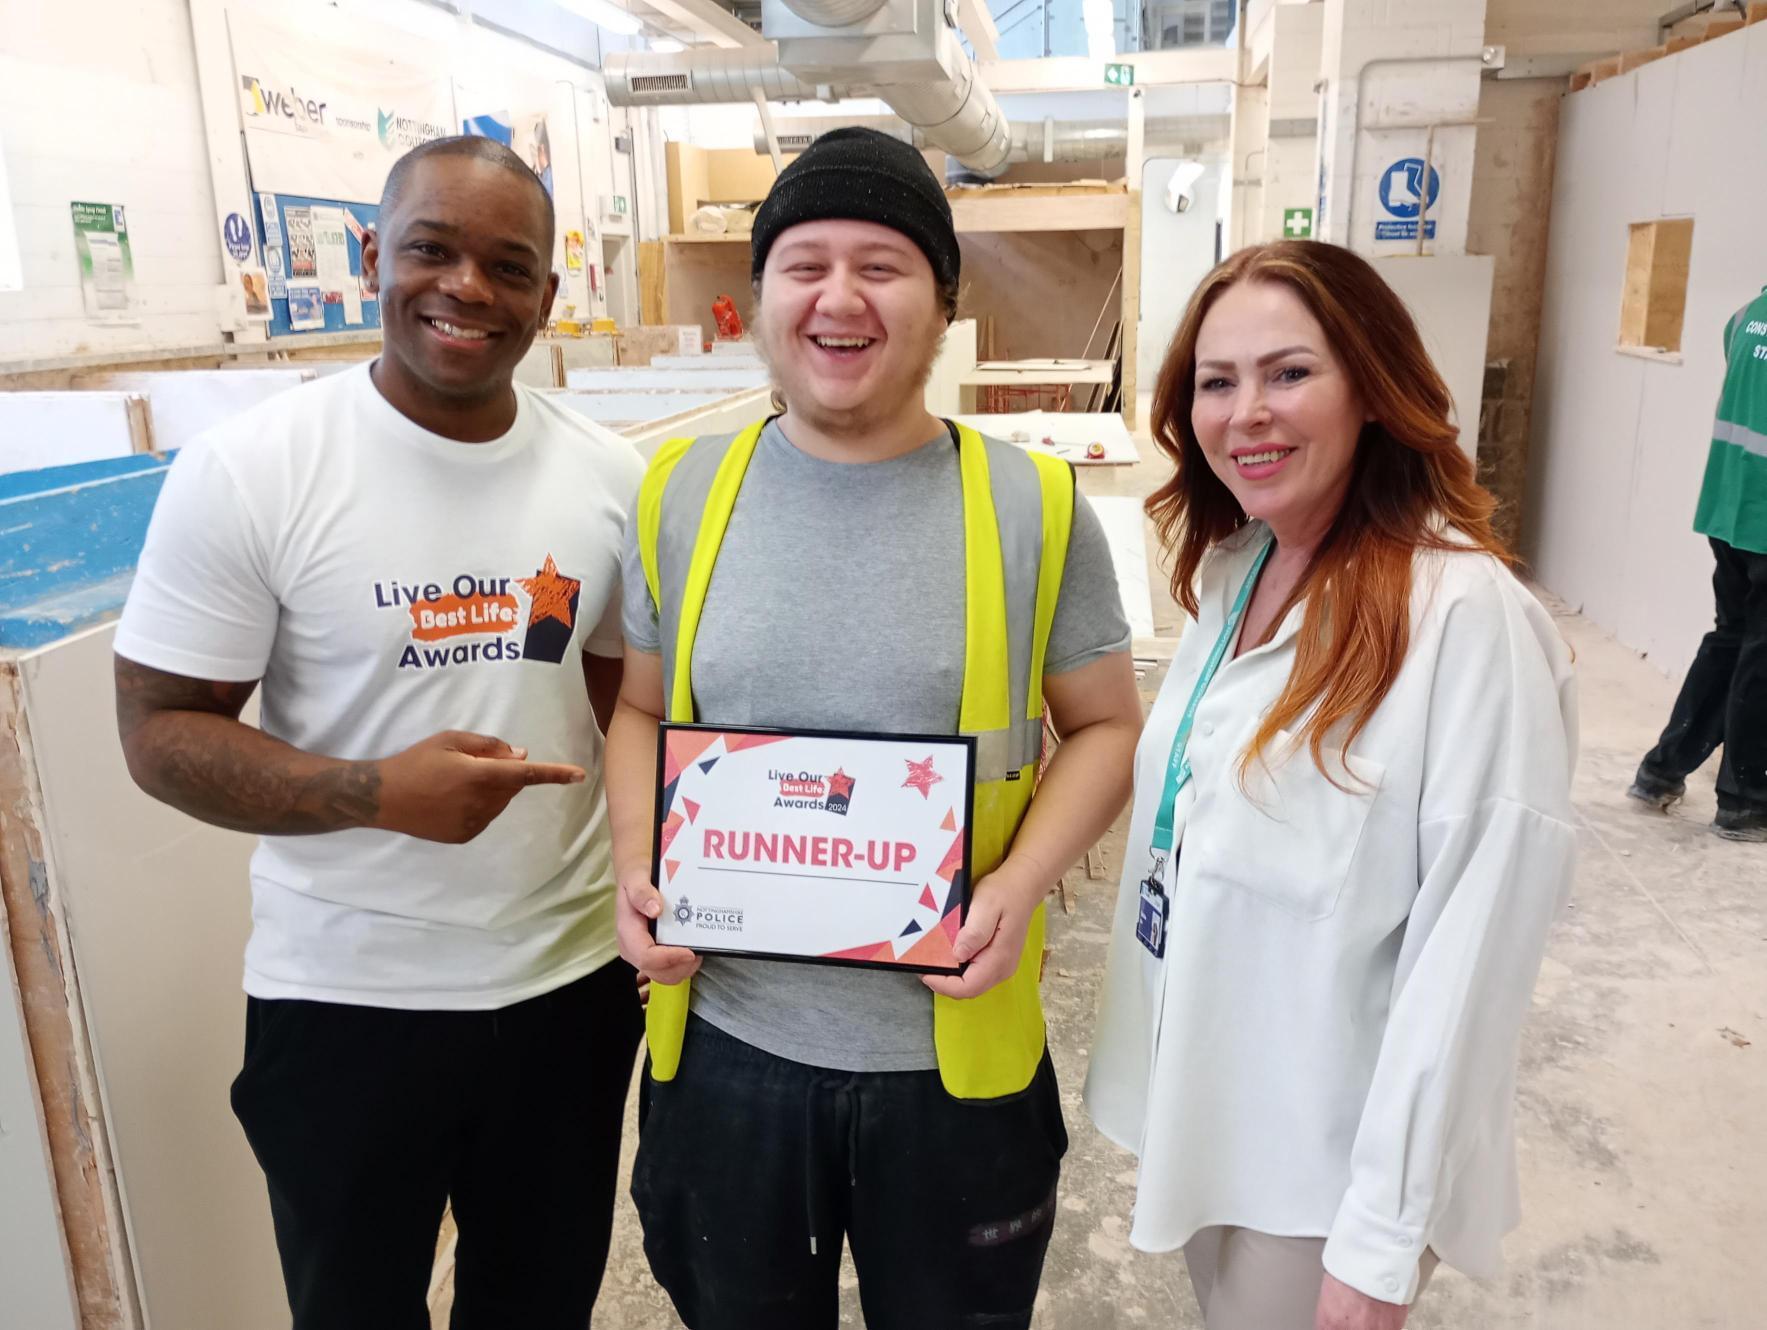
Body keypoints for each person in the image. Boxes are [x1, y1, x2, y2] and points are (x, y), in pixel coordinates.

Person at [605, 127, 1143, 1330]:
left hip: (949, 1063)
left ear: (943, 304)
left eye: (882, 265)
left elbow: (1106, 727)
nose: (839, 297)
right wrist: (636, 868)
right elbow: (640, 705)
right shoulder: (681, 492)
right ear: (758, 299)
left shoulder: (1035, 507)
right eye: (805, 263)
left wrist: (1021, 886)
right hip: (730, 1047)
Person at [112, 136, 644, 1329]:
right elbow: (156, 732)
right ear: (371, 257)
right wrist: (372, 791)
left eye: (509, 267)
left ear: (549, 298)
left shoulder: (612, 478)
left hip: (566, 993)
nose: (466, 288)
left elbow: (628, 715)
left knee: (540, 1305)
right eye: (430, 250)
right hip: (343, 1006)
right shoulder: (252, 470)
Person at [1084, 240, 1579, 1330]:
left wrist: (1381, 1241)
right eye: (1218, 382)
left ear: (1373, 387)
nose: (1246, 412)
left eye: (1289, 373)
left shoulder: (1463, 618)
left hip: (1324, 1161)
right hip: (1219, 1107)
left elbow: (1470, 956)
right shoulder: (1238, 568)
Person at [1627, 283, 1767, 840]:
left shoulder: (1745, 314)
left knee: (1733, 637)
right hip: (1761, 517)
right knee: (1761, 652)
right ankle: (1745, 800)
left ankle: (1661, 772)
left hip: (1729, 506)